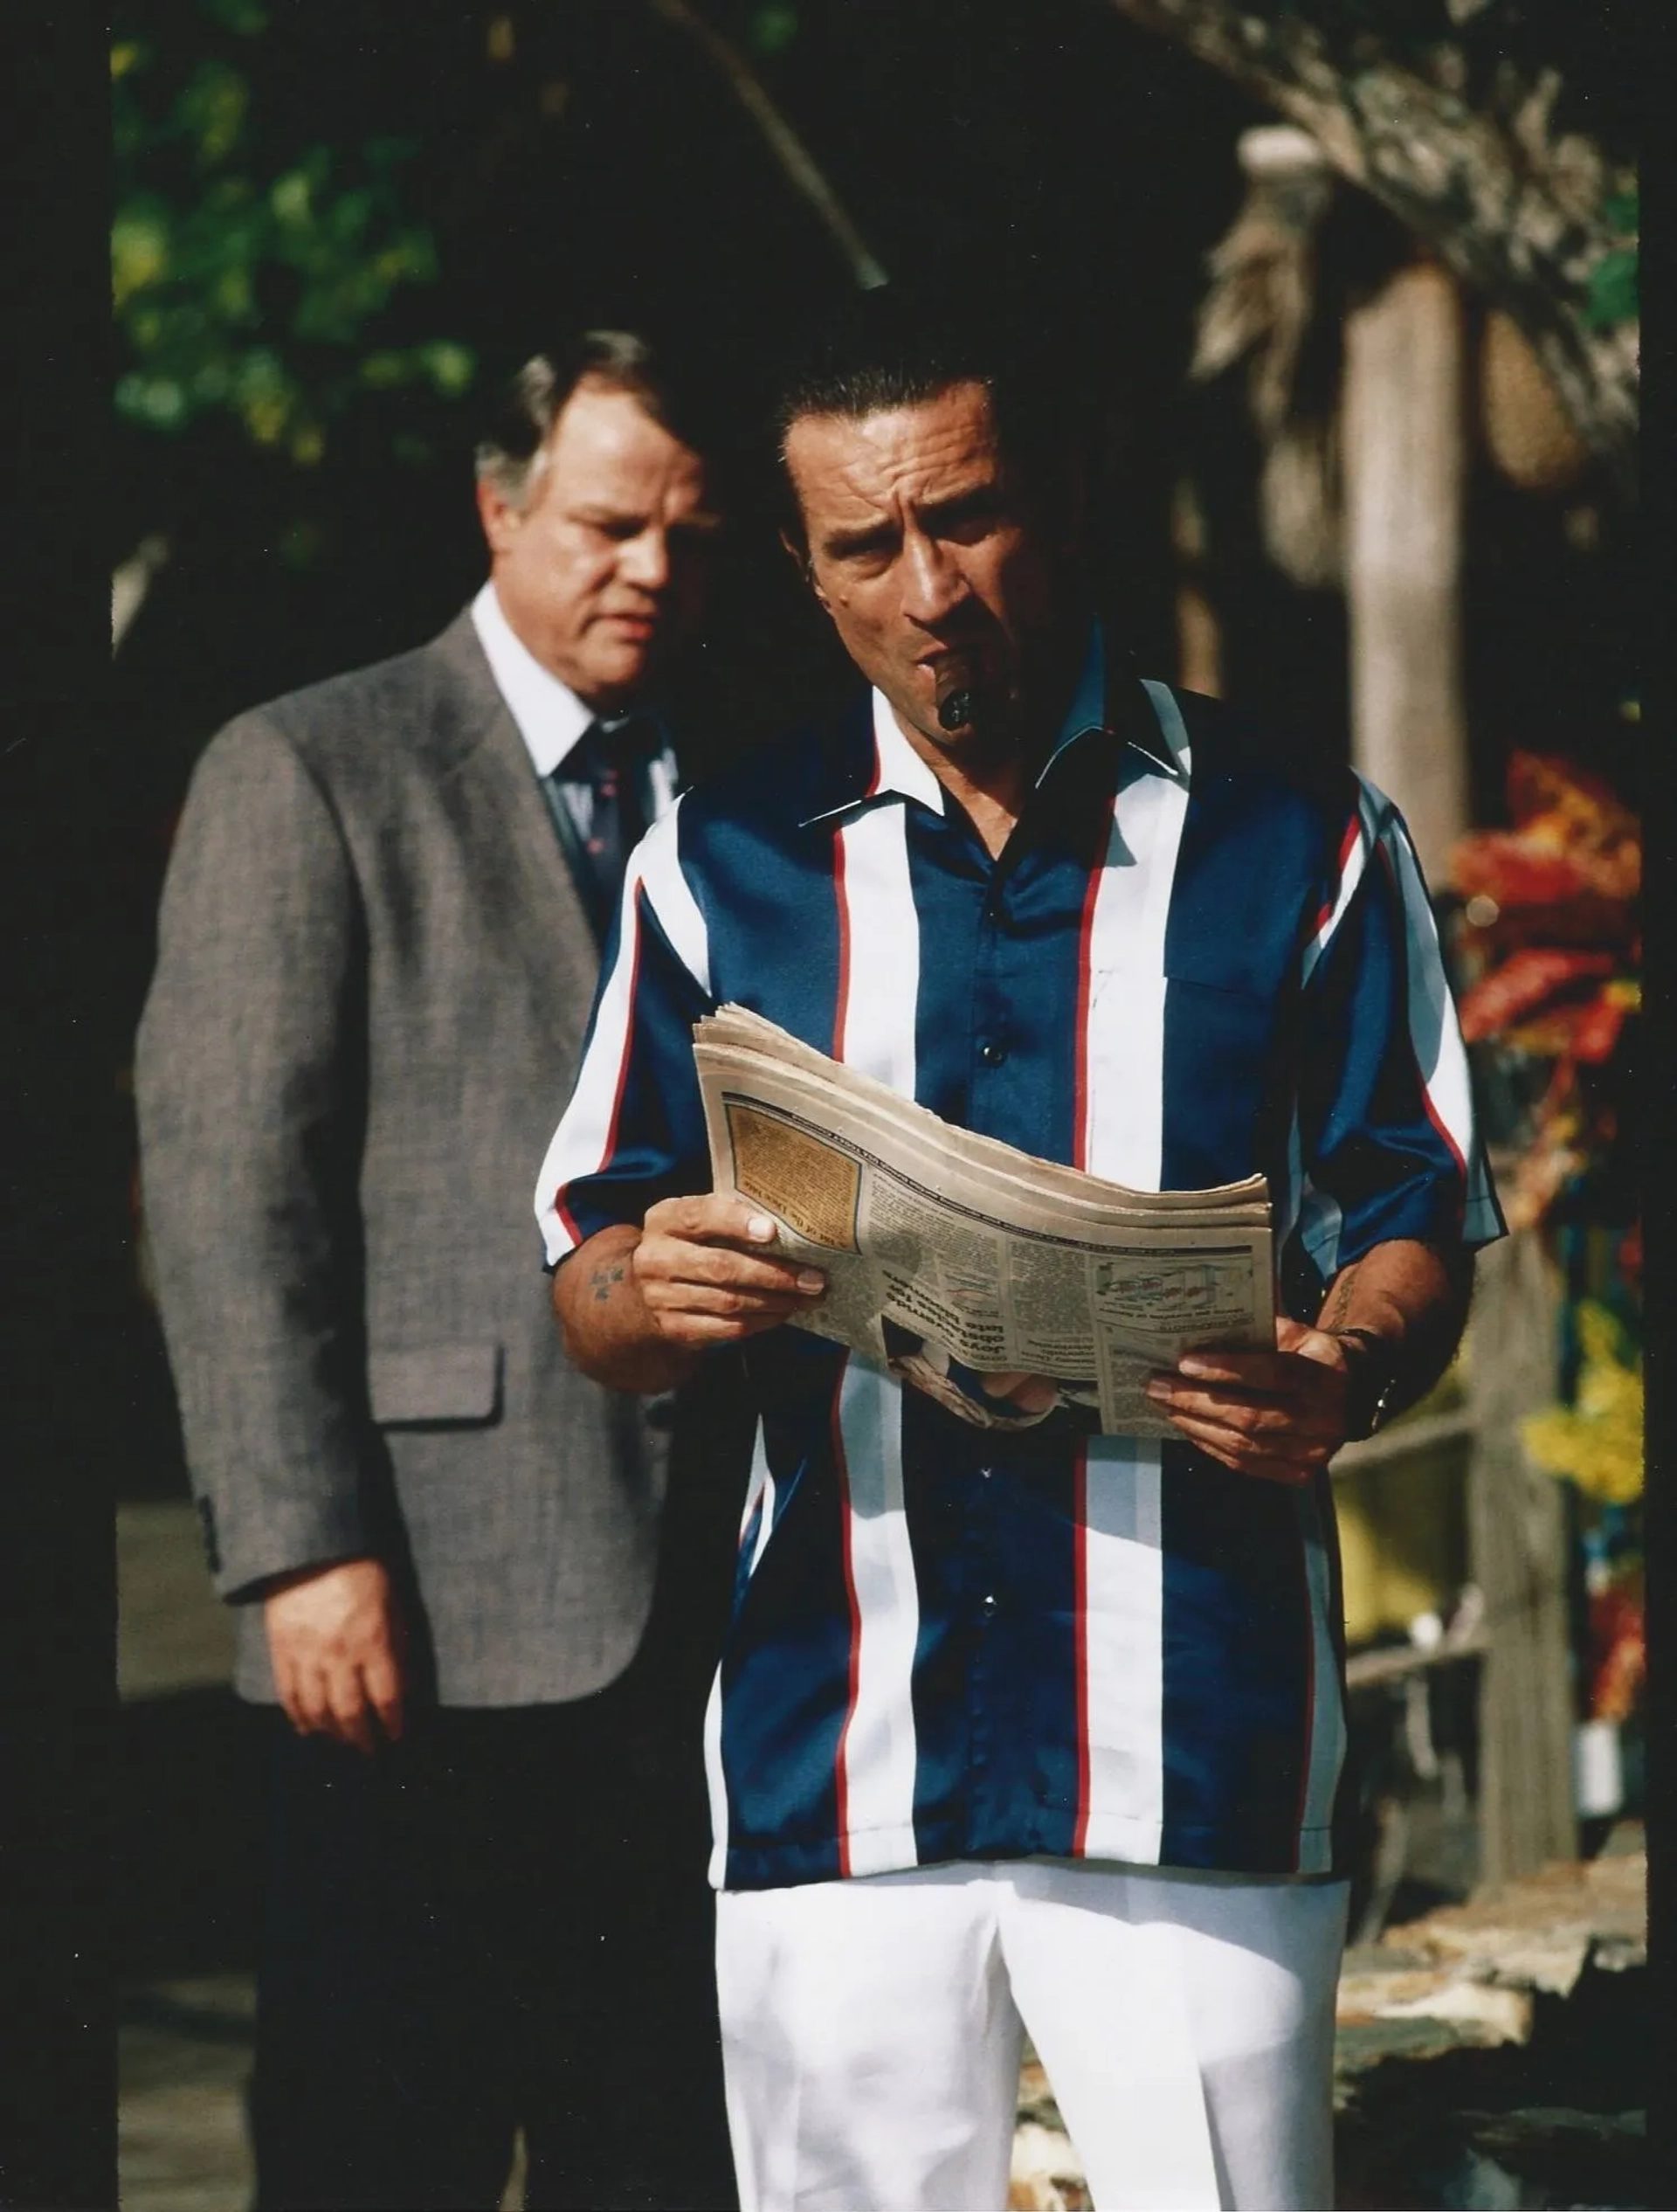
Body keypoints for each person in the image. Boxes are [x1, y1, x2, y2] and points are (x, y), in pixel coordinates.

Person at [535, 285, 1504, 2212]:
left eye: (963, 516)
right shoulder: (717, 860)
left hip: (1199, 1747)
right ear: (807, 575)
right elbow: (589, 1262)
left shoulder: (1300, 840)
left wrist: (1349, 1366)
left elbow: (1416, 1211)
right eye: (864, 545)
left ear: (1056, 496)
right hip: (833, 1746)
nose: (929, 586)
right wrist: (653, 1293)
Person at [136, 330, 742, 2211]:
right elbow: (229, 1195)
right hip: (408, 1618)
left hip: (709, 1625)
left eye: (689, 535)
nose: (650, 566)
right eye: (607, 521)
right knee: (378, 2152)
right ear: (499, 509)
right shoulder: (308, 768)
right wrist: (299, 1552)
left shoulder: (741, 795)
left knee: (658, 2157)